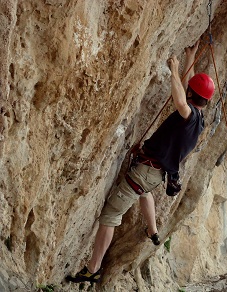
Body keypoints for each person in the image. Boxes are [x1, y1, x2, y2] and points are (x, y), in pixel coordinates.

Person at [66, 41, 215, 283]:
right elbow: (187, 91)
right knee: (144, 194)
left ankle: (92, 269)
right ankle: (153, 230)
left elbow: (180, 99)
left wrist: (175, 68)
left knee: (111, 215)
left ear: (191, 96)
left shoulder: (187, 114)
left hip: (146, 171)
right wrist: (190, 58)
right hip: (154, 175)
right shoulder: (199, 119)